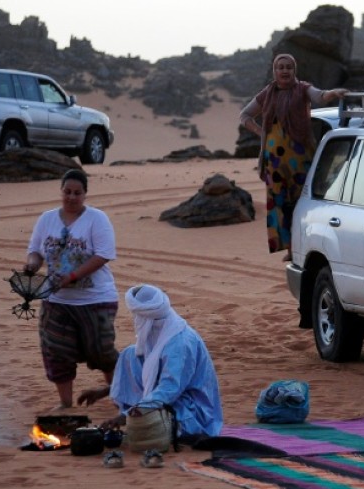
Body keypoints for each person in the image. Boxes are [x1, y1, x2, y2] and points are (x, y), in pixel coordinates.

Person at [77, 284, 223, 449]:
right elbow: (151, 371)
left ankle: (142, 415)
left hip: (193, 411)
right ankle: (140, 412)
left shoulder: (179, 344)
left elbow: (169, 390)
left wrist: (126, 417)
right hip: (170, 398)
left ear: (145, 317)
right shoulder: (160, 333)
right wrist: (104, 391)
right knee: (130, 354)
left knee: (153, 426)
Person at [24, 168, 119, 410]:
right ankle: (65, 403)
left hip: (95, 298)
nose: (72, 197)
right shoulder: (47, 219)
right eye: (67, 192)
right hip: (56, 299)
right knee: (56, 350)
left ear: (85, 194)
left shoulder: (97, 219)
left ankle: (121, 397)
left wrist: (72, 276)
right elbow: (35, 250)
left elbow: (104, 254)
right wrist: (33, 265)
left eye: (77, 193)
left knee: (101, 352)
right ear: (61, 192)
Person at [240, 53, 348, 261]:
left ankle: (306, 247)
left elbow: (320, 96)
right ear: (275, 71)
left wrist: (333, 93)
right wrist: (262, 132)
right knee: (280, 205)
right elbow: (244, 115)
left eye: (289, 67)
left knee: (302, 203)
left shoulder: (303, 89)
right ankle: (290, 249)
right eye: (280, 67)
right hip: (275, 163)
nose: (285, 70)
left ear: (294, 70)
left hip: (300, 158)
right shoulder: (267, 93)